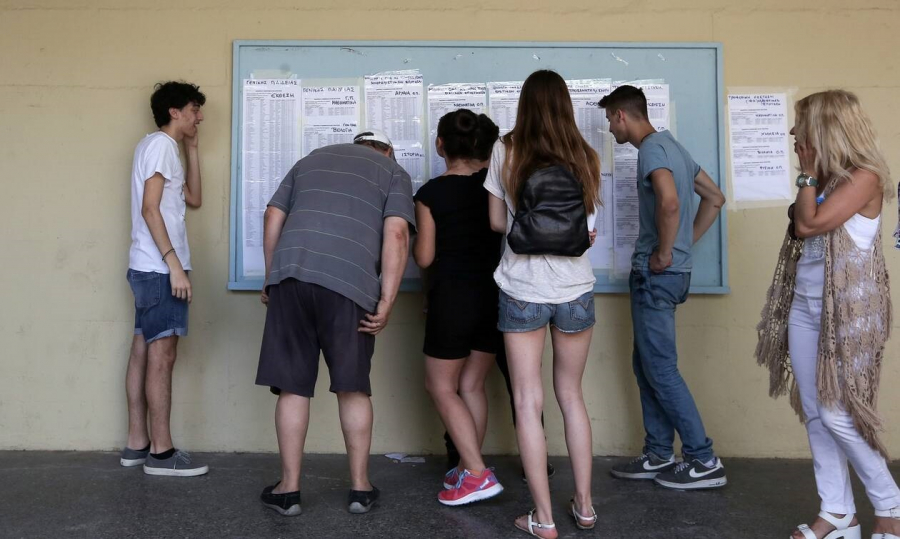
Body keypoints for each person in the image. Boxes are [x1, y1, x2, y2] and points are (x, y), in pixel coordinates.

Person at [756, 90, 900, 539]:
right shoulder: (828, 179)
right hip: (805, 305)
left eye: (801, 124)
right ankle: (838, 513)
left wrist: (805, 175)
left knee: (840, 412)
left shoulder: (866, 176)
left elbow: (809, 224)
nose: (793, 133)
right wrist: (811, 177)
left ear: (825, 128)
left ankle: (891, 509)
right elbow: (805, 228)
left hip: (851, 314)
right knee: (816, 413)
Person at [254, 129, 415, 517]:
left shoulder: (310, 159)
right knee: (352, 388)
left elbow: (273, 215)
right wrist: (387, 300)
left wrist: (271, 275)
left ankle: (288, 490)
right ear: (387, 150)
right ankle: (360, 489)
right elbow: (396, 233)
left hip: (291, 277)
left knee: (293, 387)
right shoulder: (393, 172)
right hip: (349, 285)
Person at [485, 69, 600, 538]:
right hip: (576, 287)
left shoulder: (505, 150)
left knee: (527, 400)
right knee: (571, 396)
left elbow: (496, 222)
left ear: (524, 104)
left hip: (521, 287)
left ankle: (544, 518)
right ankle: (586, 507)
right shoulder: (585, 155)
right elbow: (589, 231)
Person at [600, 85, 727, 490]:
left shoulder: (652, 149)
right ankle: (658, 453)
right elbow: (715, 197)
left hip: (657, 276)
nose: (609, 128)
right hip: (670, 274)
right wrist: (684, 244)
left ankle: (703, 459)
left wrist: (666, 251)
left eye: (609, 120)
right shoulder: (674, 146)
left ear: (622, 115)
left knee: (661, 368)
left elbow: (669, 202)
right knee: (647, 364)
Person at [413, 109, 504, 506]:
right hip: (495, 294)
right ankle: (469, 468)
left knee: (441, 385)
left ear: (441, 145)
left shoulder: (431, 192)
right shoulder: (496, 186)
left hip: (452, 296)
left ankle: (478, 473)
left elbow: (425, 257)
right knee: (472, 385)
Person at [121, 81, 209, 477]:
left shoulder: (161, 147)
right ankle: (161, 453)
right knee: (162, 356)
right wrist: (174, 265)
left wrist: (192, 147)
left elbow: (193, 198)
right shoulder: (158, 146)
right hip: (159, 269)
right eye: (194, 109)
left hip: (148, 266)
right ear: (174, 111)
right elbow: (150, 209)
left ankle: (137, 443)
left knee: (144, 348)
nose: (200, 116)